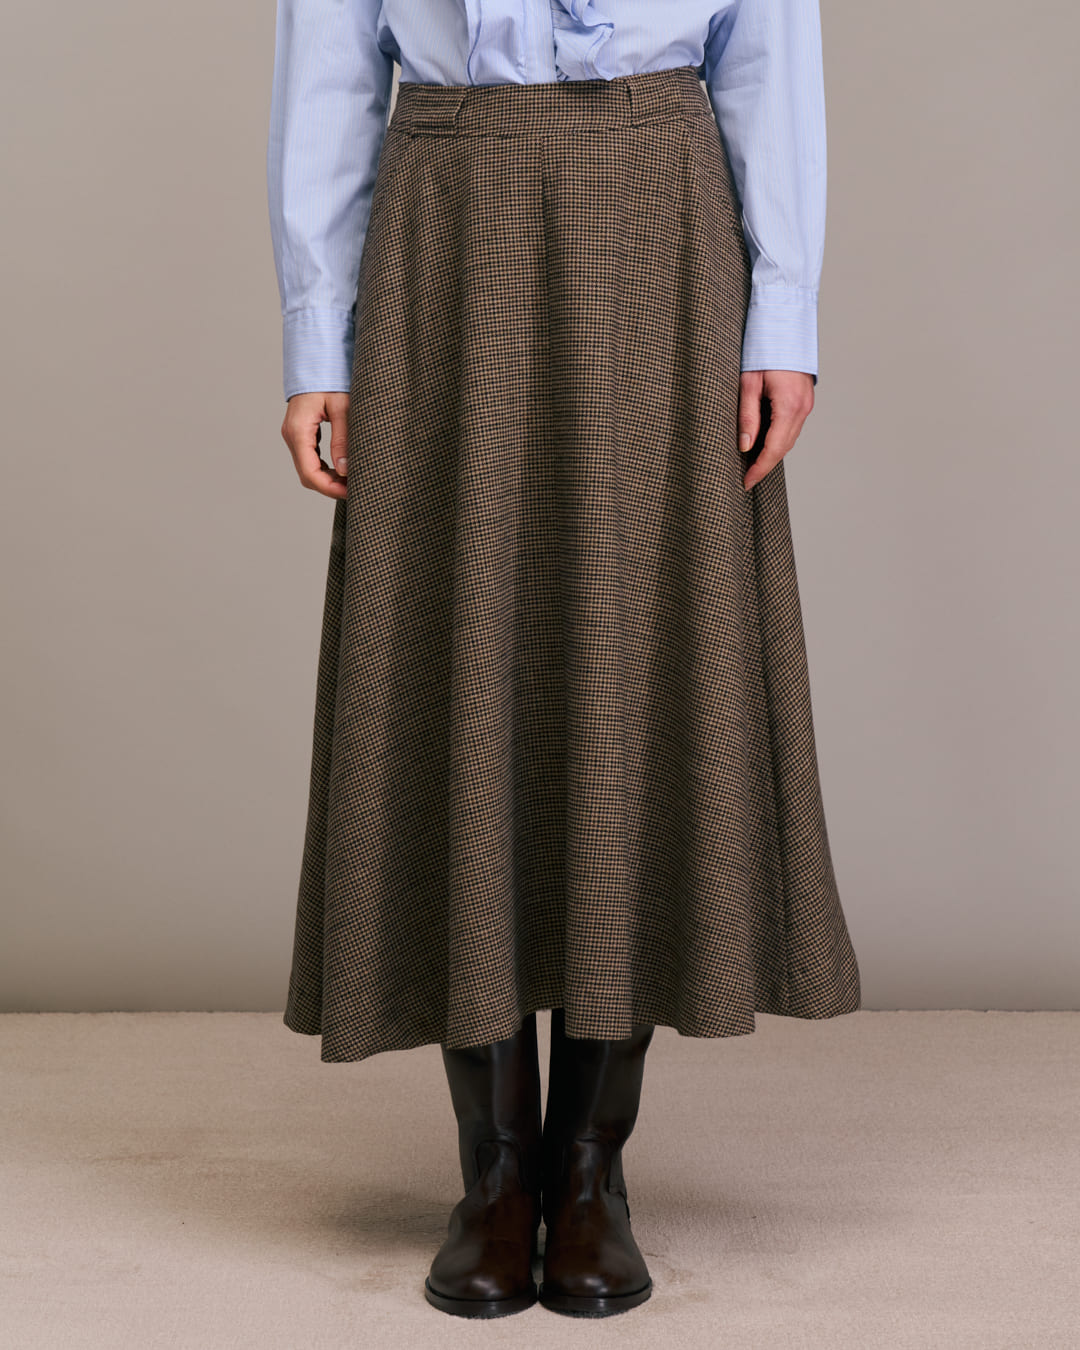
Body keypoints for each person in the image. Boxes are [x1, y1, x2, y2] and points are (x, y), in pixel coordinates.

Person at [266, 0, 861, 1321]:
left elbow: (766, 51)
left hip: (660, 206)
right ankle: (494, 1171)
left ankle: (590, 1164)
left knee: (633, 669)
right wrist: (318, 330)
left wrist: (785, 312)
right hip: (446, 207)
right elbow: (328, 66)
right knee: (452, 653)